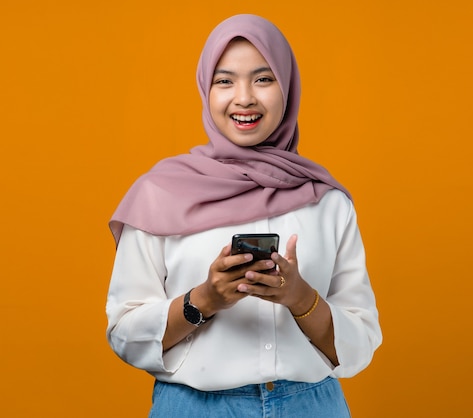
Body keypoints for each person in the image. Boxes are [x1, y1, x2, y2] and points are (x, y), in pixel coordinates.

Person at [106, 14, 382, 417]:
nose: (245, 98)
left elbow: (360, 344)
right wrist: (205, 299)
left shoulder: (327, 203)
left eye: (263, 78)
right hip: (194, 408)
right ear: (206, 88)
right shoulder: (159, 194)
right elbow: (124, 333)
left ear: (287, 87)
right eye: (225, 80)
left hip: (312, 406)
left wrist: (300, 298)